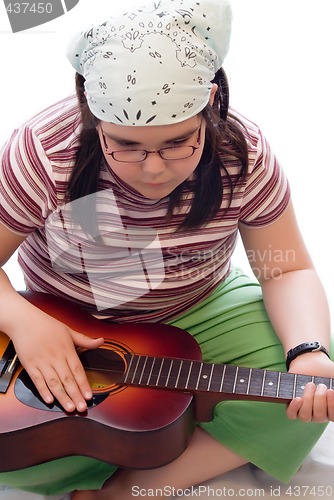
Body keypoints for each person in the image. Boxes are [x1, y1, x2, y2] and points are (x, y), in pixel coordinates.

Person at [0, 0, 333, 498]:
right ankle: (132, 435)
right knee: (15, 452)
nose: (153, 169)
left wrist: (308, 351)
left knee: (307, 392)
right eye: (126, 146)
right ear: (91, 117)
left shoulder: (244, 155)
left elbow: (283, 271)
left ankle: (132, 486)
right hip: (68, 319)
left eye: (178, 142)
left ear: (212, 104)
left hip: (199, 305)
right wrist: (27, 324)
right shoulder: (44, 150)